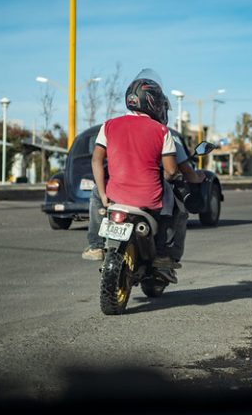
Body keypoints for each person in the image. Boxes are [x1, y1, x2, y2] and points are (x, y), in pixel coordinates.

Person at [86, 71, 203, 274]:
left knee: (96, 190)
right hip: (149, 199)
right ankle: (162, 253)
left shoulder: (108, 125)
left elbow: (96, 160)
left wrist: (105, 195)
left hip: (115, 196)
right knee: (176, 207)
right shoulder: (162, 131)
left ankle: (96, 245)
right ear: (154, 104)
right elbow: (171, 170)